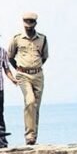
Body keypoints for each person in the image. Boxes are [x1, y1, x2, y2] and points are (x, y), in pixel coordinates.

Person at [8, 12, 48, 145]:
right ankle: (29, 135)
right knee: (30, 101)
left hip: (38, 75)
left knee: (36, 106)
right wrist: (19, 69)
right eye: (26, 24)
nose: (29, 27)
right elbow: (10, 57)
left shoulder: (42, 39)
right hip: (23, 75)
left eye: (31, 24)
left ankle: (33, 137)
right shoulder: (17, 38)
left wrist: (35, 67)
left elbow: (44, 57)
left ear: (35, 24)